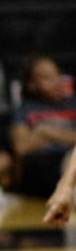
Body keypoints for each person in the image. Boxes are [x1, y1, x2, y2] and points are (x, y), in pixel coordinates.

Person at [10, 54, 76, 198]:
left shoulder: (72, 104)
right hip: (43, 168)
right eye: (47, 77)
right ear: (32, 84)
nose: (57, 82)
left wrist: (46, 133)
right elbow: (21, 147)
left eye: (58, 74)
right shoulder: (25, 109)